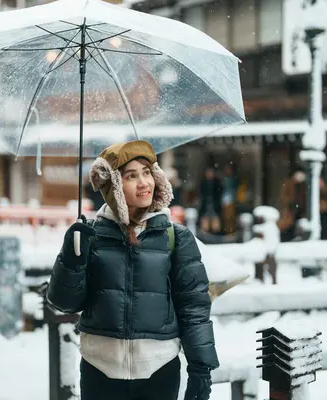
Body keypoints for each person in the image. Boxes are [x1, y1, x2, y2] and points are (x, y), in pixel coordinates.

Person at [46, 140, 219, 400]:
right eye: (131, 176)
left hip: (159, 371)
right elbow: (64, 303)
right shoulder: (90, 237)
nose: (143, 183)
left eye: (147, 173)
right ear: (113, 186)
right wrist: (72, 260)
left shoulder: (175, 237)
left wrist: (201, 369)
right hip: (99, 370)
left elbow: (193, 308)